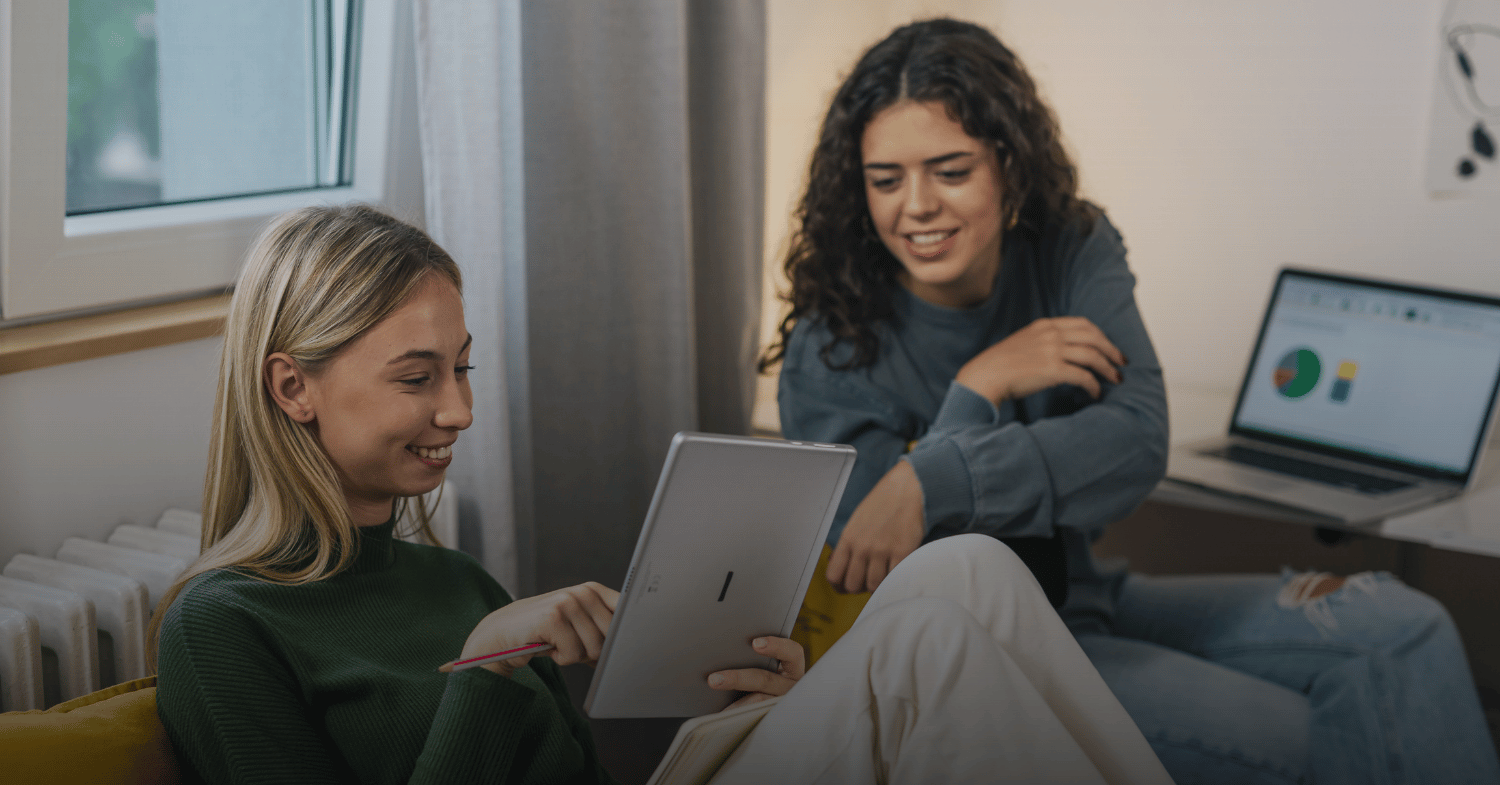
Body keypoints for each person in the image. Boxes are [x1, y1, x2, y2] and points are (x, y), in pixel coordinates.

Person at [150, 203, 1172, 784]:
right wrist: (485, 668)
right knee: (928, 645)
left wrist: (771, 707)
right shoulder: (225, 622)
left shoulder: (455, 581)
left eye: (463, 370)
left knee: (970, 568)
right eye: (418, 377)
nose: (459, 410)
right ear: (293, 386)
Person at [764, 17, 1500, 785]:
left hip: (1096, 596)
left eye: (951, 170)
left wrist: (929, 475)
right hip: (988, 650)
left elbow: (1136, 439)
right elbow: (893, 572)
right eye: (886, 180)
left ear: (1008, 164)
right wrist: (978, 390)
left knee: (1405, 629)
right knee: (1328, 734)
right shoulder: (831, 343)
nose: (915, 205)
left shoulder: (1072, 246)